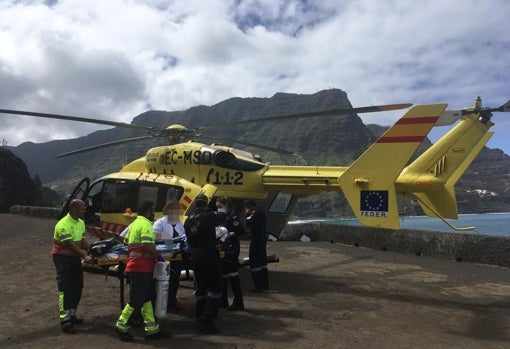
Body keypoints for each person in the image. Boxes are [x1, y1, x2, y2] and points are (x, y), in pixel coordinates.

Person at [115, 201, 169, 342]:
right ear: (148, 212)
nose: (153, 214)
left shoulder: (135, 223)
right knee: (137, 299)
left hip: (138, 266)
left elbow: (126, 241)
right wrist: (158, 255)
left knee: (147, 298)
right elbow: (146, 244)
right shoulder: (145, 224)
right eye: (152, 211)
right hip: (141, 267)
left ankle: (152, 330)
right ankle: (121, 326)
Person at [52, 199, 92, 333]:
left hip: (74, 259)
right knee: (65, 288)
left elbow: (81, 240)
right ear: (74, 208)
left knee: (77, 287)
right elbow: (70, 244)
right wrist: (84, 256)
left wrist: (92, 249)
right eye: (82, 208)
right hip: (62, 259)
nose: (84, 210)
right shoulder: (63, 224)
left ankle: (72, 314)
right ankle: (65, 320)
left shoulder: (80, 223)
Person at [184, 194, 223, 334]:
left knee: (200, 289)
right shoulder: (209, 216)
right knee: (216, 289)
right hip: (208, 256)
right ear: (206, 204)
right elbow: (222, 219)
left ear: (195, 205)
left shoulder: (188, 220)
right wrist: (222, 208)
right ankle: (207, 320)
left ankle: (200, 317)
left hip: (196, 257)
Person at [152, 200, 187, 311]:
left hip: (176, 257)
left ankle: (171, 301)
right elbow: (155, 236)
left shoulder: (179, 223)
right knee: (162, 281)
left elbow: (183, 236)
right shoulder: (160, 222)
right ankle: (160, 302)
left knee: (175, 280)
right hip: (164, 257)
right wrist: (166, 238)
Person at [217, 200, 245, 311]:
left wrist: (229, 234)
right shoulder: (219, 217)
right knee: (223, 276)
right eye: (217, 206)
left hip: (231, 249)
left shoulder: (233, 217)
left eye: (220, 206)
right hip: (222, 248)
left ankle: (238, 303)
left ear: (227, 206)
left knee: (233, 276)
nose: (219, 208)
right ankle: (223, 302)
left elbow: (241, 231)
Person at [245, 200, 269, 292]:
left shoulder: (255, 214)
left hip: (256, 240)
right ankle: (265, 284)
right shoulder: (262, 212)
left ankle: (259, 286)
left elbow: (248, 224)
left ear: (250, 206)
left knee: (255, 262)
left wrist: (247, 216)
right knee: (263, 262)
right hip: (262, 239)